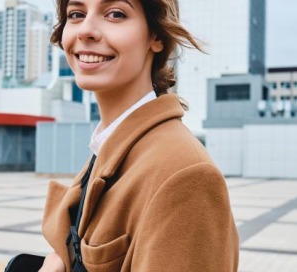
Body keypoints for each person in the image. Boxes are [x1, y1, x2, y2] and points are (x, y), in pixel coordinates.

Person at [40, 0, 239, 271]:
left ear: (156, 36)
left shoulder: (186, 175)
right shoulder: (112, 148)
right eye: (76, 14)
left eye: (115, 14)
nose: (86, 30)